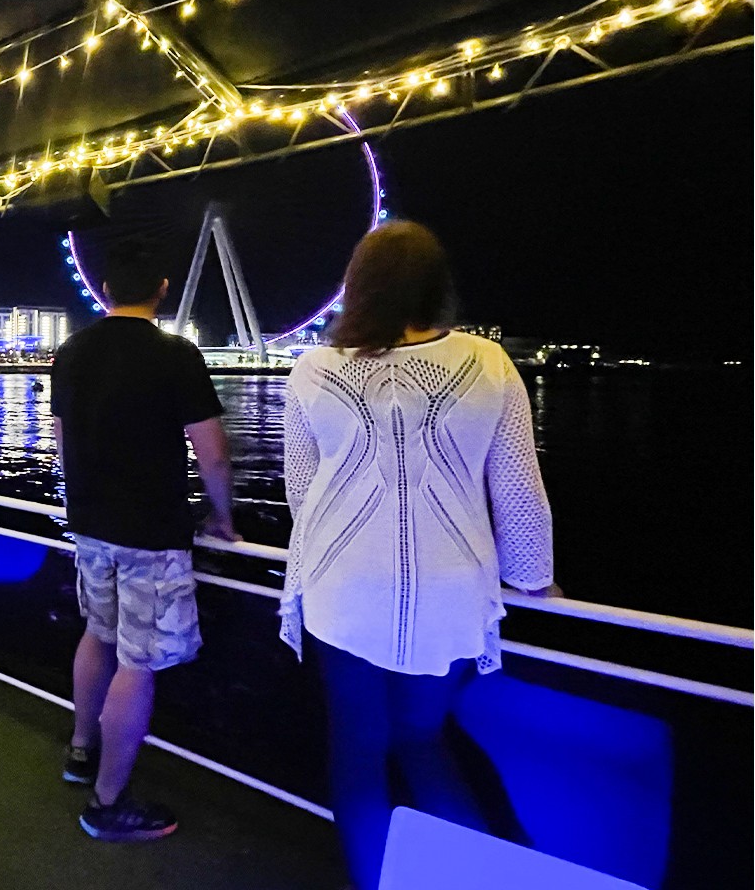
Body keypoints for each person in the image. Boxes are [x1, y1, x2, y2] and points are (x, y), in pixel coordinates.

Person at [278, 221, 557, 890]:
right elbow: (519, 493)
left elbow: (300, 493)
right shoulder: (487, 364)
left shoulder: (314, 371)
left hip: (343, 592)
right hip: (451, 595)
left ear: (357, 287)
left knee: (357, 757)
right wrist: (531, 578)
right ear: (438, 288)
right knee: (425, 744)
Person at [50, 244, 239, 843]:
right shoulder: (176, 355)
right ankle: (107, 804)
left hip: (89, 523)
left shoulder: (72, 352)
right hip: (150, 532)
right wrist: (222, 516)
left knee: (98, 633)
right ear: (161, 288)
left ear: (103, 288)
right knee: (139, 660)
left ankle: (81, 752)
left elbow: (59, 437)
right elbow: (212, 451)